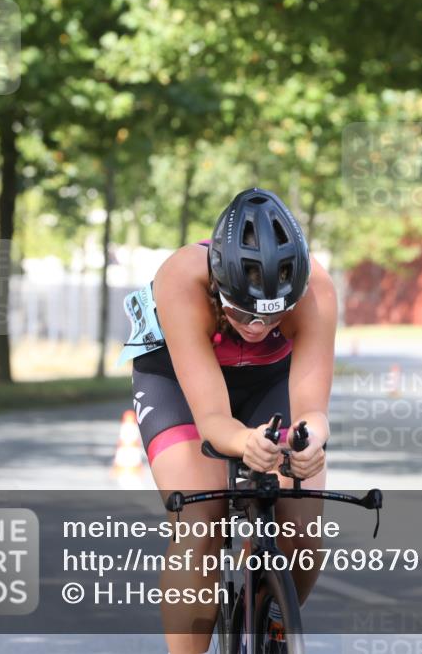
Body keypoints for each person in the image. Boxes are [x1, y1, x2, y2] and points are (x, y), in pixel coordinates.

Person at [120, 187, 336, 654]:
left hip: (267, 382)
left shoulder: (316, 288)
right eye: (240, 312)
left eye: (274, 316)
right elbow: (214, 417)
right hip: (177, 379)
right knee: (202, 521)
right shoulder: (180, 278)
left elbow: (312, 409)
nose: (256, 327)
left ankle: (270, 616)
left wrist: (310, 441)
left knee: (300, 528)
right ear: (218, 284)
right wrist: (243, 442)